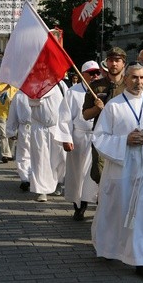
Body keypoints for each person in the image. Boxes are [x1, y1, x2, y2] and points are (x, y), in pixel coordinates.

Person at [91, 63, 143, 280]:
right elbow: (99, 137)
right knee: (115, 209)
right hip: (120, 167)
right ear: (126, 79)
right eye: (134, 77)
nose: (138, 82)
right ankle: (109, 248)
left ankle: (141, 260)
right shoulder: (113, 106)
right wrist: (123, 141)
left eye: (142, 78)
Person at [55, 60, 100, 221]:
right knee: (78, 174)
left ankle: (95, 201)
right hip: (79, 138)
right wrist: (66, 138)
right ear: (82, 74)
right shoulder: (73, 92)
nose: (95, 76)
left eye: (97, 73)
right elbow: (64, 117)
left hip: (98, 137)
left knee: (96, 173)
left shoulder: (102, 92)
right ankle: (79, 205)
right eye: (92, 73)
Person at [82, 47, 127, 183]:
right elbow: (86, 115)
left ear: (123, 63)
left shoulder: (129, 85)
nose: (114, 64)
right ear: (106, 62)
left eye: (117, 61)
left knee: (121, 172)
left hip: (122, 136)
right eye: (111, 60)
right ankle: (103, 199)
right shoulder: (96, 86)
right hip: (102, 135)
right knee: (99, 172)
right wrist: (97, 108)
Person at [24, 81, 64, 202]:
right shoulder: (35, 84)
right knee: (41, 159)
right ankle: (42, 190)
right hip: (39, 127)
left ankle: (58, 181)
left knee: (61, 157)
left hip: (57, 127)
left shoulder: (61, 85)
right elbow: (32, 100)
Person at [6, 89, 32, 191]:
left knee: (38, 155)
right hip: (25, 127)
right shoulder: (20, 94)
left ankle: (35, 178)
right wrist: (11, 131)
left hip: (41, 128)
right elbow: (13, 113)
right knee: (24, 154)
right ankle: (25, 179)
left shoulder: (45, 91)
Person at [0, 80, 18, 162]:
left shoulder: (15, 85)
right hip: (2, 113)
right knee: (3, 134)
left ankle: (10, 153)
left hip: (13, 114)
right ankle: (5, 154)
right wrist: (6, 88)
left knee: (12, 135)